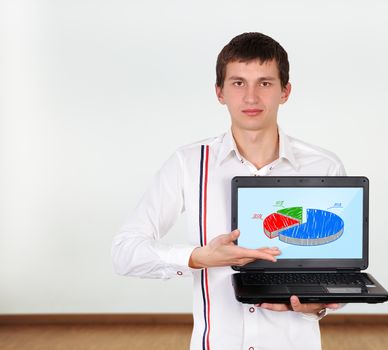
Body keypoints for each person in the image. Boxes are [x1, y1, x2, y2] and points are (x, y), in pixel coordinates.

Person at [112, 32, 346, 350]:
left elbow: (336, 273)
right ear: (219, 92)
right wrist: (197, 258)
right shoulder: (188, 163)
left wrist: (314, 306)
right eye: (238, 83)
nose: (251, 97)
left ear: (285, 91)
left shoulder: (324, 165)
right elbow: (125, 253)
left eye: (265, 83)